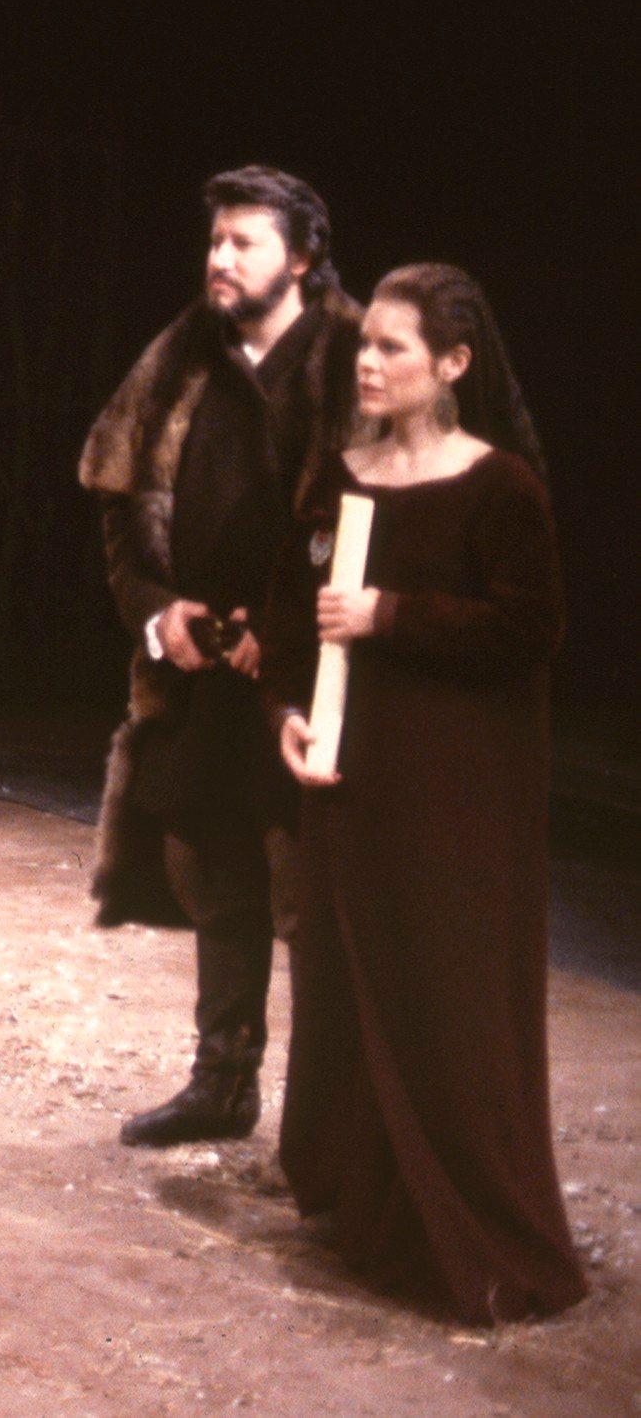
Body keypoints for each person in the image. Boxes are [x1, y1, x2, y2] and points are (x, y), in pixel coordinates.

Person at [262, 264, 583, 1322]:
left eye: (392, 346)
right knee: (343, 978)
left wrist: (390, 614)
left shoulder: (498, 486)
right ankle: (361, 1204)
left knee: (440, 993)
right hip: (349, 777)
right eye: (364, 342)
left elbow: (528, 629)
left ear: (451, 363)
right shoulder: (338, 474)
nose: (366, 360)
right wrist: (287, 710)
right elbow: (288, 610)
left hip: (452, 791)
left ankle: (464, 1229)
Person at [79, 165, 360, 1148]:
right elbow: (119, 504)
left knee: (312, 889)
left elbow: (367, 520)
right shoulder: (182, 354)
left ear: (303, 255)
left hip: (312, 676)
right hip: (199, 668)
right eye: (215, 240)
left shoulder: (353, 357)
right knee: (211, 859)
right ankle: (223, 1079)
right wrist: (157, 613)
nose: (220, 258)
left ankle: (329, 1112)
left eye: (244, 241)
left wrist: (281, 640)